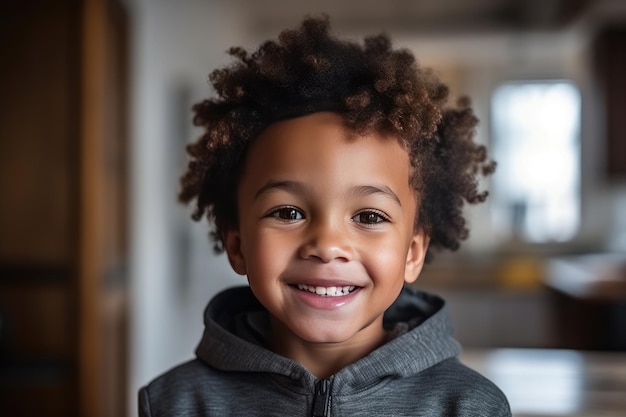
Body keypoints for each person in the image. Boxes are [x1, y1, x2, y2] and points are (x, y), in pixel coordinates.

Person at [138, 16, 511, 417]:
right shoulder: (174, 403)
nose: (328, 245)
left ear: (413, 252)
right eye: (288, 211)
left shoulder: (469, 407)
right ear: (237, 244)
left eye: (369, 216)